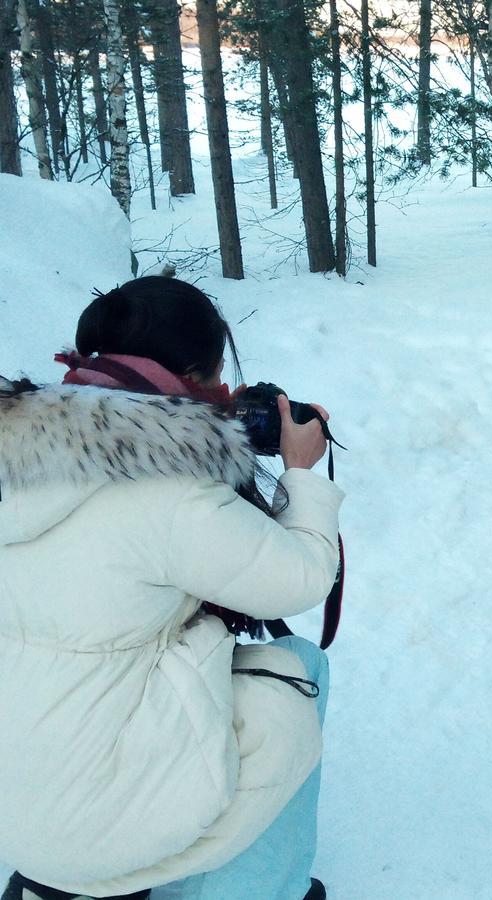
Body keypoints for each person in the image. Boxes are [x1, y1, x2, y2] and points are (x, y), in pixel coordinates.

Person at [0, 276, 343, 900]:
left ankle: (62, 875)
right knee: (295, 674)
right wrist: (301, 474)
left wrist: (206, 431)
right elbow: (300, 579)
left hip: (15, 809)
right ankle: (260, 889)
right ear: (193, 377)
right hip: (93, 826)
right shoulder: (167, 490)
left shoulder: (22, 454)